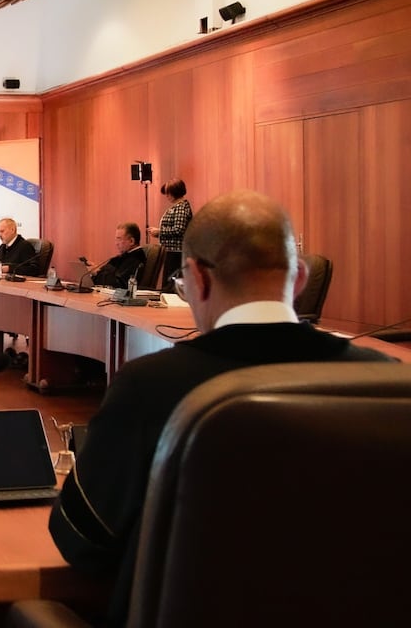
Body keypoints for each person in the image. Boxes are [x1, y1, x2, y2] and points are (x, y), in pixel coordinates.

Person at [47, 190, 392, 626]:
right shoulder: (381, 382)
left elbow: (83, 541)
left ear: (196, 279)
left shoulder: (150, 387)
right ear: (300, 278)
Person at [149, 178, 193, 286]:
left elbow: (179, 230)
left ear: (175, 192)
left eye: (168, 192)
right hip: (171, 252)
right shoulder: (178, 206)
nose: (166, 195)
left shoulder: (181, 207)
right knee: (168, 284)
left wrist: (160, 232)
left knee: (171, 286)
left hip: (176, 253)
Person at [90, 222, 147, 289]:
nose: (116, 243)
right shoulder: (124, 256)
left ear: (131, 241)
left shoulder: (136, 258)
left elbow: (118, 283)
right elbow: (109, 271)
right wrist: (96, 269)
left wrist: (96, 273)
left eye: (119, 239)